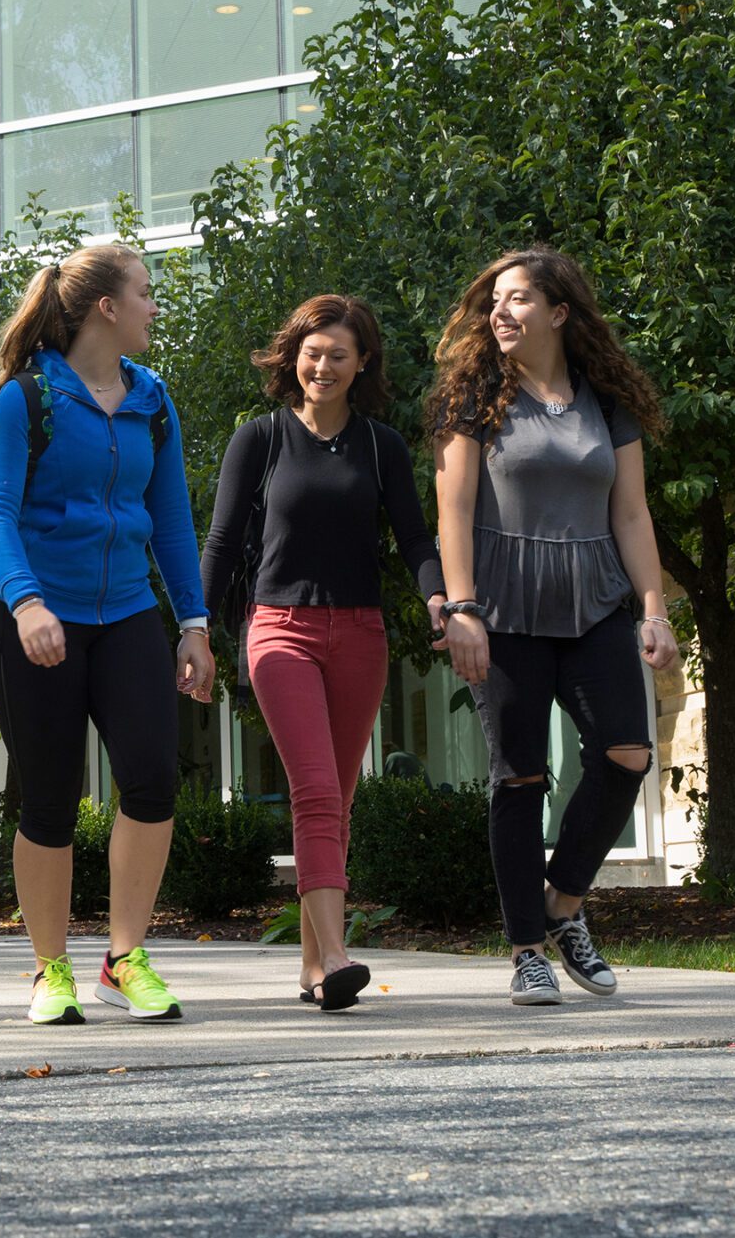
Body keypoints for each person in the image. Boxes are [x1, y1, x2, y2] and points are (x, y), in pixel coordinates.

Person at [426, 247, 677, 1006]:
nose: (500, 311)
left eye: (519, 299)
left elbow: (630, 512)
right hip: (503, 608)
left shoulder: (606, 398)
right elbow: (455, 511)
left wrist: (655, 608)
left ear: (559, 313)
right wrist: (462, 607)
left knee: (627, 752)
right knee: (520, 774)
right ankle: (527, 949)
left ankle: (563, 906)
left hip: (595, 599)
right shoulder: (471, 395)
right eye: (495, 299)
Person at [0, 243, 215, 1026]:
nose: (154, 306)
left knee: (150, 780)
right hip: (34, 618)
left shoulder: (152, 397)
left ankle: (123, 956)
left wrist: (193, 622)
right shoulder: (27, 398)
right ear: (106, 307)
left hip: (126, 614)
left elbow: (171, 520)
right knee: (48, 796)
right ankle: (50, 970)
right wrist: (26, 601)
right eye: (145, 293)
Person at [201, 295, 443, 1012]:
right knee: (313, 789)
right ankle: (337, 953)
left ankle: (313, 969)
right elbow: (218, 543)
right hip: (280, 630)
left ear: (362, 361)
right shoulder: (261, 438)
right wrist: (194, 630)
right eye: (313, 350)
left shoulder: (381, 446)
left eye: (339, 353)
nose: (323, 365)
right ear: (292, 355)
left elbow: (416, 539)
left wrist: (439, 600)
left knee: (337, 799)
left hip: (361, 632)